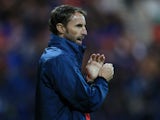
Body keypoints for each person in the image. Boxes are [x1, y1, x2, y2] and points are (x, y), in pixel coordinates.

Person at [35, 5, 114, 120]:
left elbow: (72, 100)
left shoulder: (58, 56)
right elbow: (87, 102)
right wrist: (102, 80)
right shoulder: (59, 59)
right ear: (61, 28)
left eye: (84, 27)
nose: (85, 32)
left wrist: (89, 80)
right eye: (78, 26)